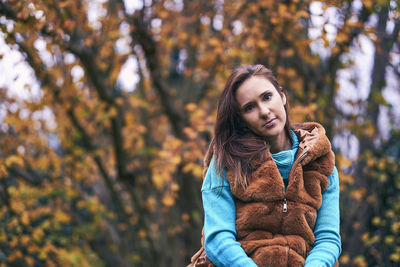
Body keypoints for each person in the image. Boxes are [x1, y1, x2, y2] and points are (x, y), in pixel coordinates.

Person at [197, 64, 341, 267]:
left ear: (281, 96)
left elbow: (328, 239)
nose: (264, 111)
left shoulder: (321, 162)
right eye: (249, 108)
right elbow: (218, 240)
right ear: (241, 119)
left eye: (267, 97)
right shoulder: (225, 161)